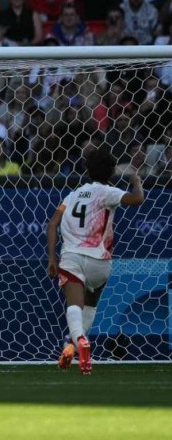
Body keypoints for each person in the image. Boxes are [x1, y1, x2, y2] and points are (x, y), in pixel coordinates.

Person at [46, 147, 144, 375]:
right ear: (111, 172)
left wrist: (52, 258)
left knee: (74, 306)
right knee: (89, 306)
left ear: (87, 171)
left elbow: (52, 224)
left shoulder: (72, 196)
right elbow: (137, 199)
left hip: (72, 259)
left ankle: (79, 339)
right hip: (100, 262)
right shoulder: (108, 192)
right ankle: (71, 345)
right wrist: (137, 181)